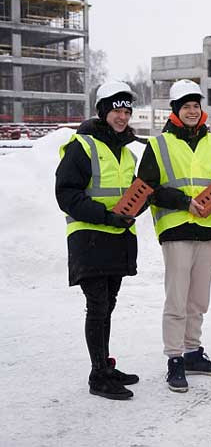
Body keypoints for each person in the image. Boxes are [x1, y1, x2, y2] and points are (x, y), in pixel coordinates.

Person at [138, 79, 211, 393]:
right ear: (175, 110)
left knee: (199, 299)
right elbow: (147, 190)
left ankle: (193, 352)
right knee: (177, 298)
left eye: (196, 106)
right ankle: (175, 359)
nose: (192, 111)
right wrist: (184, 202)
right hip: (176, 229)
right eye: (186, 106)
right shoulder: (158, 145)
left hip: (208, 230)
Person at [56, 81, 142, 400]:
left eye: (126, 110)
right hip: (89, 238)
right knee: (98, 305)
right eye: (116, 110)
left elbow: (130, 192)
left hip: (118, 238)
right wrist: (106, 216)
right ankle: (97, 375)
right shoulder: (83, 145)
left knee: (109, 305)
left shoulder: (125, 151)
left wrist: (140, 202)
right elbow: (66, 194)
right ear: (102, 111)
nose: (122, 116)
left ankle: (105, 365)